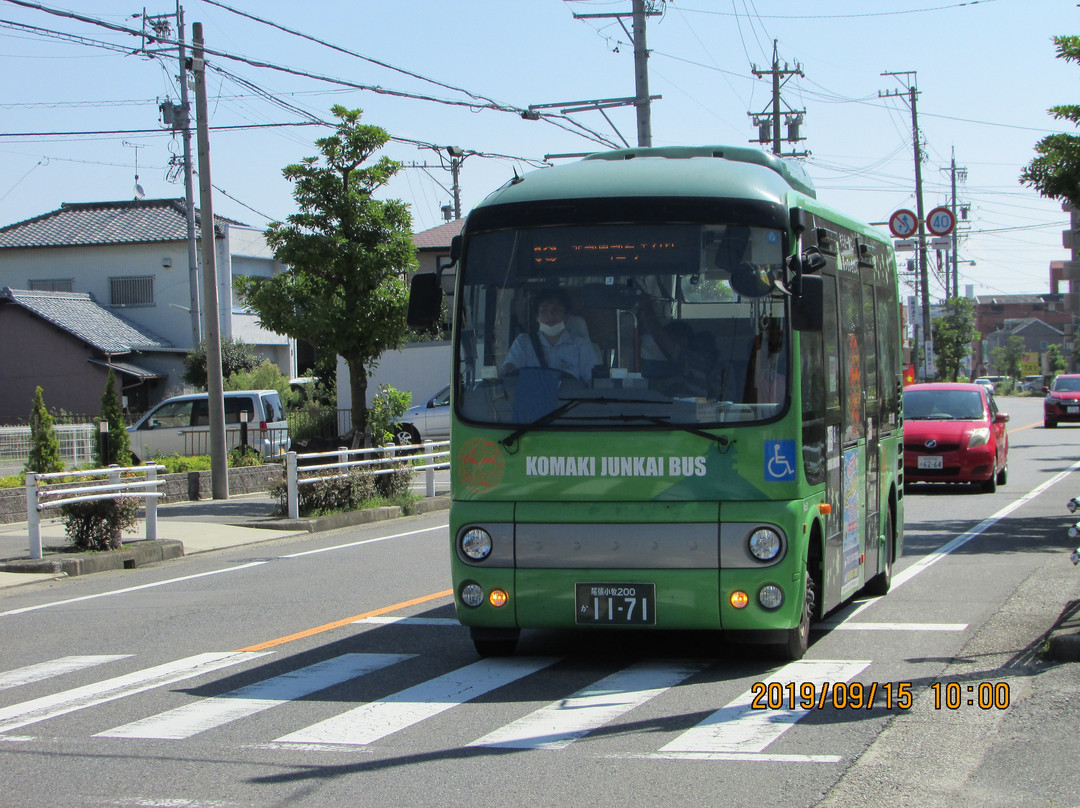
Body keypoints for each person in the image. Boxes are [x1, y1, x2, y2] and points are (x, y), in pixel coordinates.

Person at [502, 290, 600, 383]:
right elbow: (509, 375)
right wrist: (507, 369)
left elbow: (592, 383)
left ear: (566, 316)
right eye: (544, 311)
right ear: (537, 317)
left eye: (556, 310)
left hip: (572, 400)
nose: (550, 315)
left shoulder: (581, 345)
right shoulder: (523, 343)